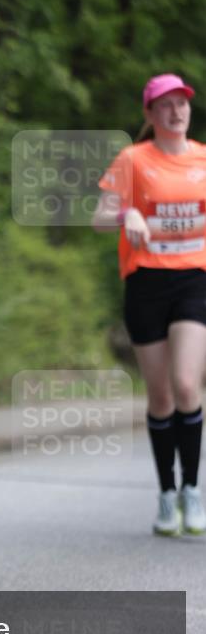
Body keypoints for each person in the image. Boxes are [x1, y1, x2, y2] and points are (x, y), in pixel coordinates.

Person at [93, 73, 206, 536]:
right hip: (145, 284)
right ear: (150, 114)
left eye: (182, 103)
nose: (176, 111)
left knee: (185, 385)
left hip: (195, 281)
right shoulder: (133, 160)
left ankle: (192, 492)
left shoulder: (203, 159)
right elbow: (100, 218)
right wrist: (127, 213)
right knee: (160, 397)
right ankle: (166, 495)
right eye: (165, 105)